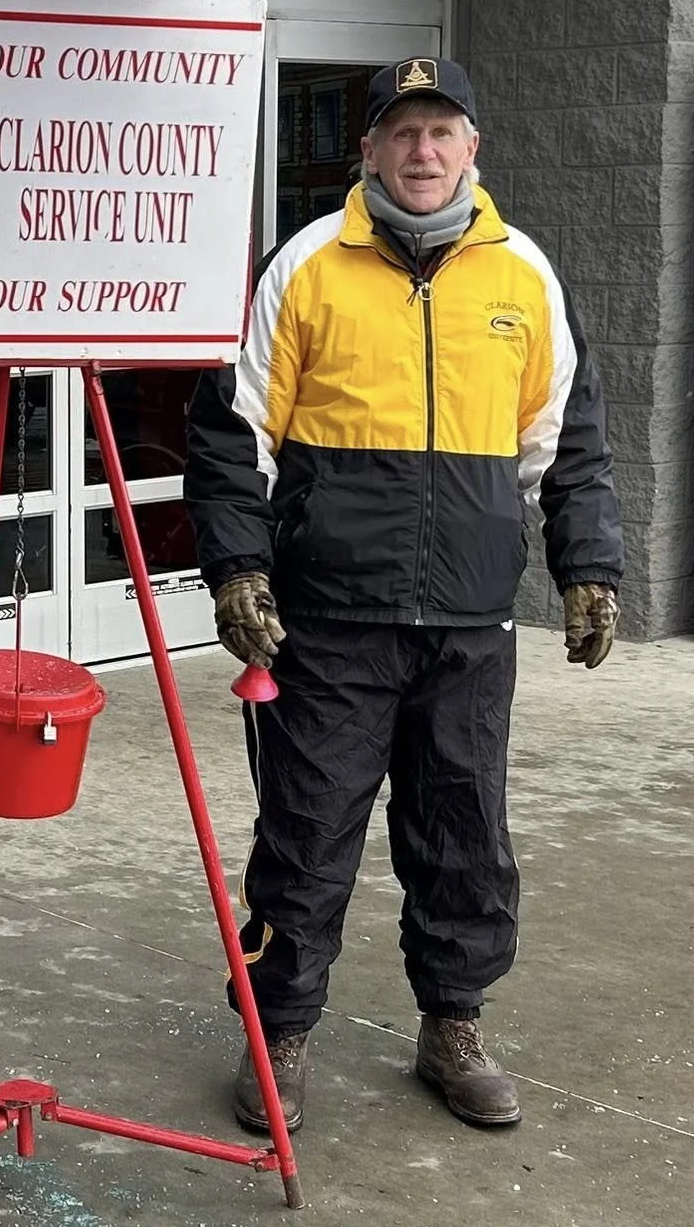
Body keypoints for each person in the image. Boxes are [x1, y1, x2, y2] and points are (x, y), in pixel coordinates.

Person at [185, 56, 622, 1137]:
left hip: (468, 625)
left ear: (473, 148)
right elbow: (230, 436)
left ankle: (453, 1025)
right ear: (367, 148)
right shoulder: (304, 268)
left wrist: (589, 568)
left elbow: (565, 444)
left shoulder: (523, 275)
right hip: (327, 623)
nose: (422, 152)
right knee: (304, 838)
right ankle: (278, 1030)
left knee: (464, 834)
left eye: (442, 132)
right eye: (401, 132)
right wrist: (238, 566)